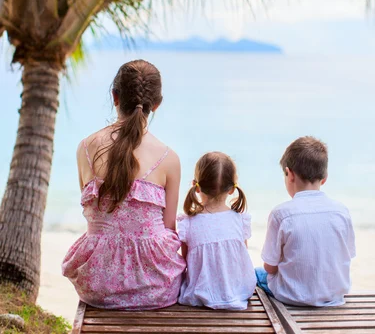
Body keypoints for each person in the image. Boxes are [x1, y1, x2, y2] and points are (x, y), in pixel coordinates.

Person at [62, 60, 186, 310]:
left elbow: (91, 213)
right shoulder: (168, 158)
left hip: (97, 286)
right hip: (155, 288)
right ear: (157, 104)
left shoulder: (85, 148)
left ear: (115, 96)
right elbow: (169, 228)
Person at [256, 136, 356, 307]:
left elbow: (270, 268)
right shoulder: (341, 212)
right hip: (333, 295)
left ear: (289, 174)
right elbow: (348, 255)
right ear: (324, 178)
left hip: (292, 296)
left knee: (257, 274)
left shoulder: (281, 214)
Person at [178, 152, 256, 310]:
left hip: (200, 294)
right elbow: (240, 256)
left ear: (196, 186)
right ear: (232, 189)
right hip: (238, 292)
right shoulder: (240, 219)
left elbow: (186, 261)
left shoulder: (188, 222)